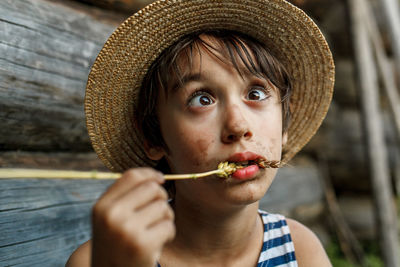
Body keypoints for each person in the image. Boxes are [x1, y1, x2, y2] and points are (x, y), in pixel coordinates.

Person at [67, 0, 335, 266]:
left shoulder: (301, 251)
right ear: (153, 136)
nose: (238, 126)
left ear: (284, 124)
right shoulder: (101, 261)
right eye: (202, 100)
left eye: (255, 94)